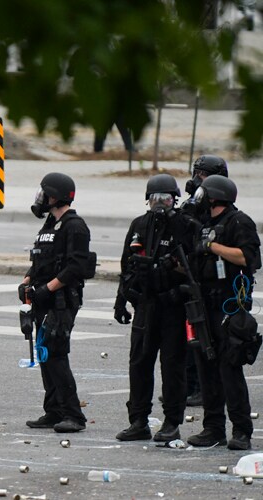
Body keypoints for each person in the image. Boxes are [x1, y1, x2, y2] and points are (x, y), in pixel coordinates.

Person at [114, 174, 194, 442]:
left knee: (172, 366)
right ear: (147, 200)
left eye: (165, 199)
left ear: (175, 200)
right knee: (139, 363)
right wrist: (121, 301)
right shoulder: (140, 224)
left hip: (172, 306)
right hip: (145, 306)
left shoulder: (185, 225)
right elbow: (126, 265)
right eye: (154, 199)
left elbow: (193, 266)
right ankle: (138, 420)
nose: (159, 204)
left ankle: (172, 421)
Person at [187, 175, 261, 450]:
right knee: (206, 366)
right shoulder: (204, 224)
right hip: (203, 303)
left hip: (229, 305)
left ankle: (241, 430)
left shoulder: (238, 222)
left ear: (215, 196)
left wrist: (213, 247)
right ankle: (213, 427)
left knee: (230, 369)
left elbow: (248, 258)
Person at [20, 173, 93, 433]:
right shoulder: (50, 224)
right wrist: (28, 281)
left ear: (56, 196)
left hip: (62, 302)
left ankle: (73, 415)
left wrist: (48, 289)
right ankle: (53, 411)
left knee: (56, 354)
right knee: (45, 354)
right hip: (44, 300)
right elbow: (40, 260)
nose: (41, 198)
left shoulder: (75, 226)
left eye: (45, 193)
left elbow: (76, 267)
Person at [178, 154, 230, 407]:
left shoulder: (220, 208)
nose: (196, 179)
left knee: (205, 337)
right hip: (191, 274)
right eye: (195, 173)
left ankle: (202, 387)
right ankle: (187, 386)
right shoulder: (193, 203)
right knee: (187, 337)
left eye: (202, 174)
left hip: (213, 284)